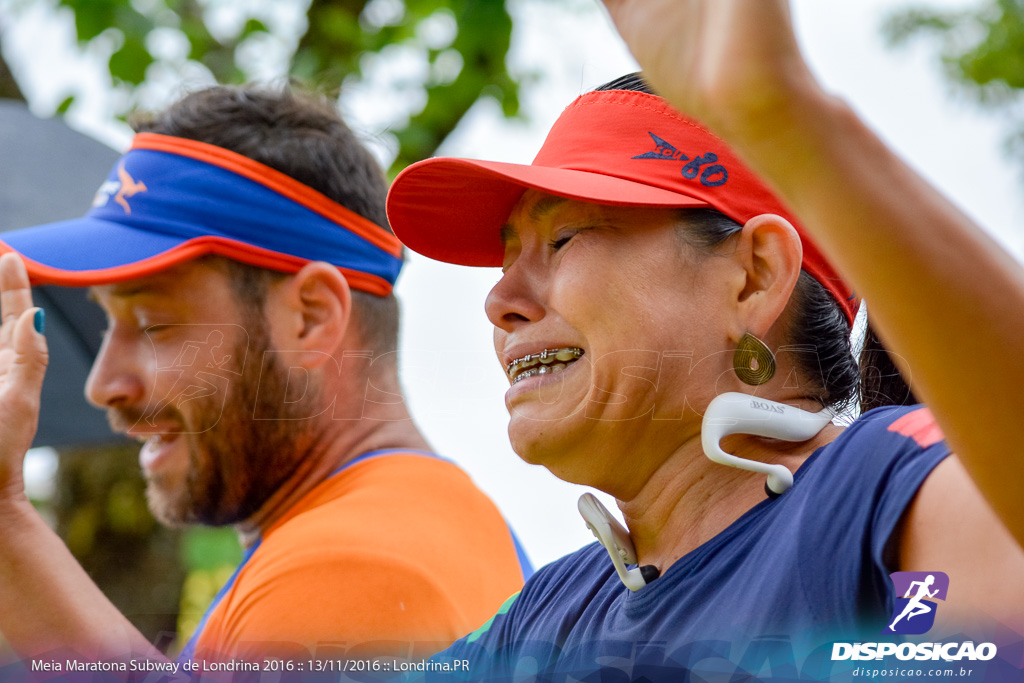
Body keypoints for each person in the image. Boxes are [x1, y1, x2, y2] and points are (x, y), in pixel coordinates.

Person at [384, 1, 1024, 680]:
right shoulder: (543, 617)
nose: (500, 301)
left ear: (754, 278)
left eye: (564, 239)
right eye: (508, 258)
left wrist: (787, 114)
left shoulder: (882, 494)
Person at [0, 85, 531, 666]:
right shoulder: (415, 525)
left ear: (309, 317)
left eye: (152, 324)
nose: (103, 385)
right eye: (107, 327)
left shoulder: (353, 568)